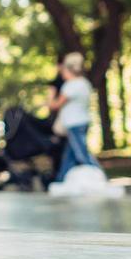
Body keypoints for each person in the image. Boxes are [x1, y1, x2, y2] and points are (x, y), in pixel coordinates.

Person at [51, 52, 98, 182]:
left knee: (82, 154)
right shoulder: (85, 83)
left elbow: (55, 105)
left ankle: (99, 177)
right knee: (69, 156)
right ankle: (61, 180)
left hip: (74, 124)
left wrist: (50, 97)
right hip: (82, 122)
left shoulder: (71, 86)